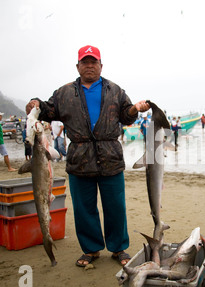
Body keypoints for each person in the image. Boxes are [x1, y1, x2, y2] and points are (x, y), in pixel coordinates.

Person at [25, 45, 150, 267]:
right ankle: (91, 249)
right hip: (79, 158)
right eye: (85, 62)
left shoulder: (115, 90)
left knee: (115, 206)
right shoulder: (64, 92)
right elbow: (46, 110)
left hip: (110, 155)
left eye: (94, 62)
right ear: (78, 66)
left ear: (101, 65)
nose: (90, 65)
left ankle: (118, 248)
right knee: (84, 208)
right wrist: (34, 103)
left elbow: (126, 115)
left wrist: (134, 109)